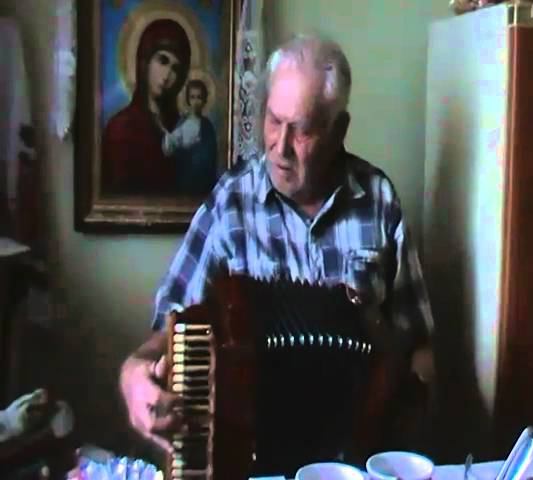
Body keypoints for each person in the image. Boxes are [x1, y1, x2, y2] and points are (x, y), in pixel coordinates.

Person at [119, 34, 435, 473]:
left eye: (302, 130)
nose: (280, 147)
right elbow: (174, 323)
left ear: (339, 129)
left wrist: (407, 424)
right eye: (273, 120)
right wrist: (134, 371)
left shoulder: (378, 201)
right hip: (249, 459)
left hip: (354, 462)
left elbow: (417, 342)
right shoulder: (232, 201)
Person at [102, 19, 191, 195]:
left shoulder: (181, 127)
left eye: (175, 68)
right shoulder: (120, 127)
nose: (167, 75)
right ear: (145, 61)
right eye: (162, 61)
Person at [162, 79, 219, 195]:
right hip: (184, 174)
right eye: (192, 97)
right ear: (188, 99)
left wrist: (197, 148)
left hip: (202, 178)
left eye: (199, 97)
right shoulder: (182, 123)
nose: (196, 102)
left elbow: (210, 154)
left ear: (204, 100)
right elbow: (173, 147)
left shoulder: (207, 126)